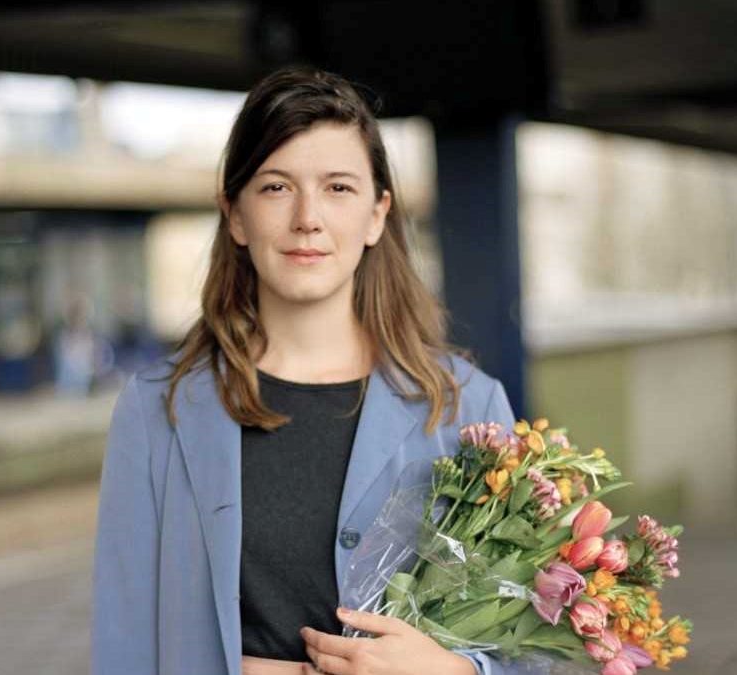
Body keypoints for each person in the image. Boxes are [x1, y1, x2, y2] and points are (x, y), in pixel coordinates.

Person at [92, 67, 517, 675]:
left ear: (377, 215)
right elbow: (124, 639)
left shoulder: (466, 406)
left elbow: (525, 646)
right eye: (275, 188)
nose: (307, 218)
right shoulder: (158, 408)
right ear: (234, 216)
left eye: (338, 188)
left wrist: (456, 671)